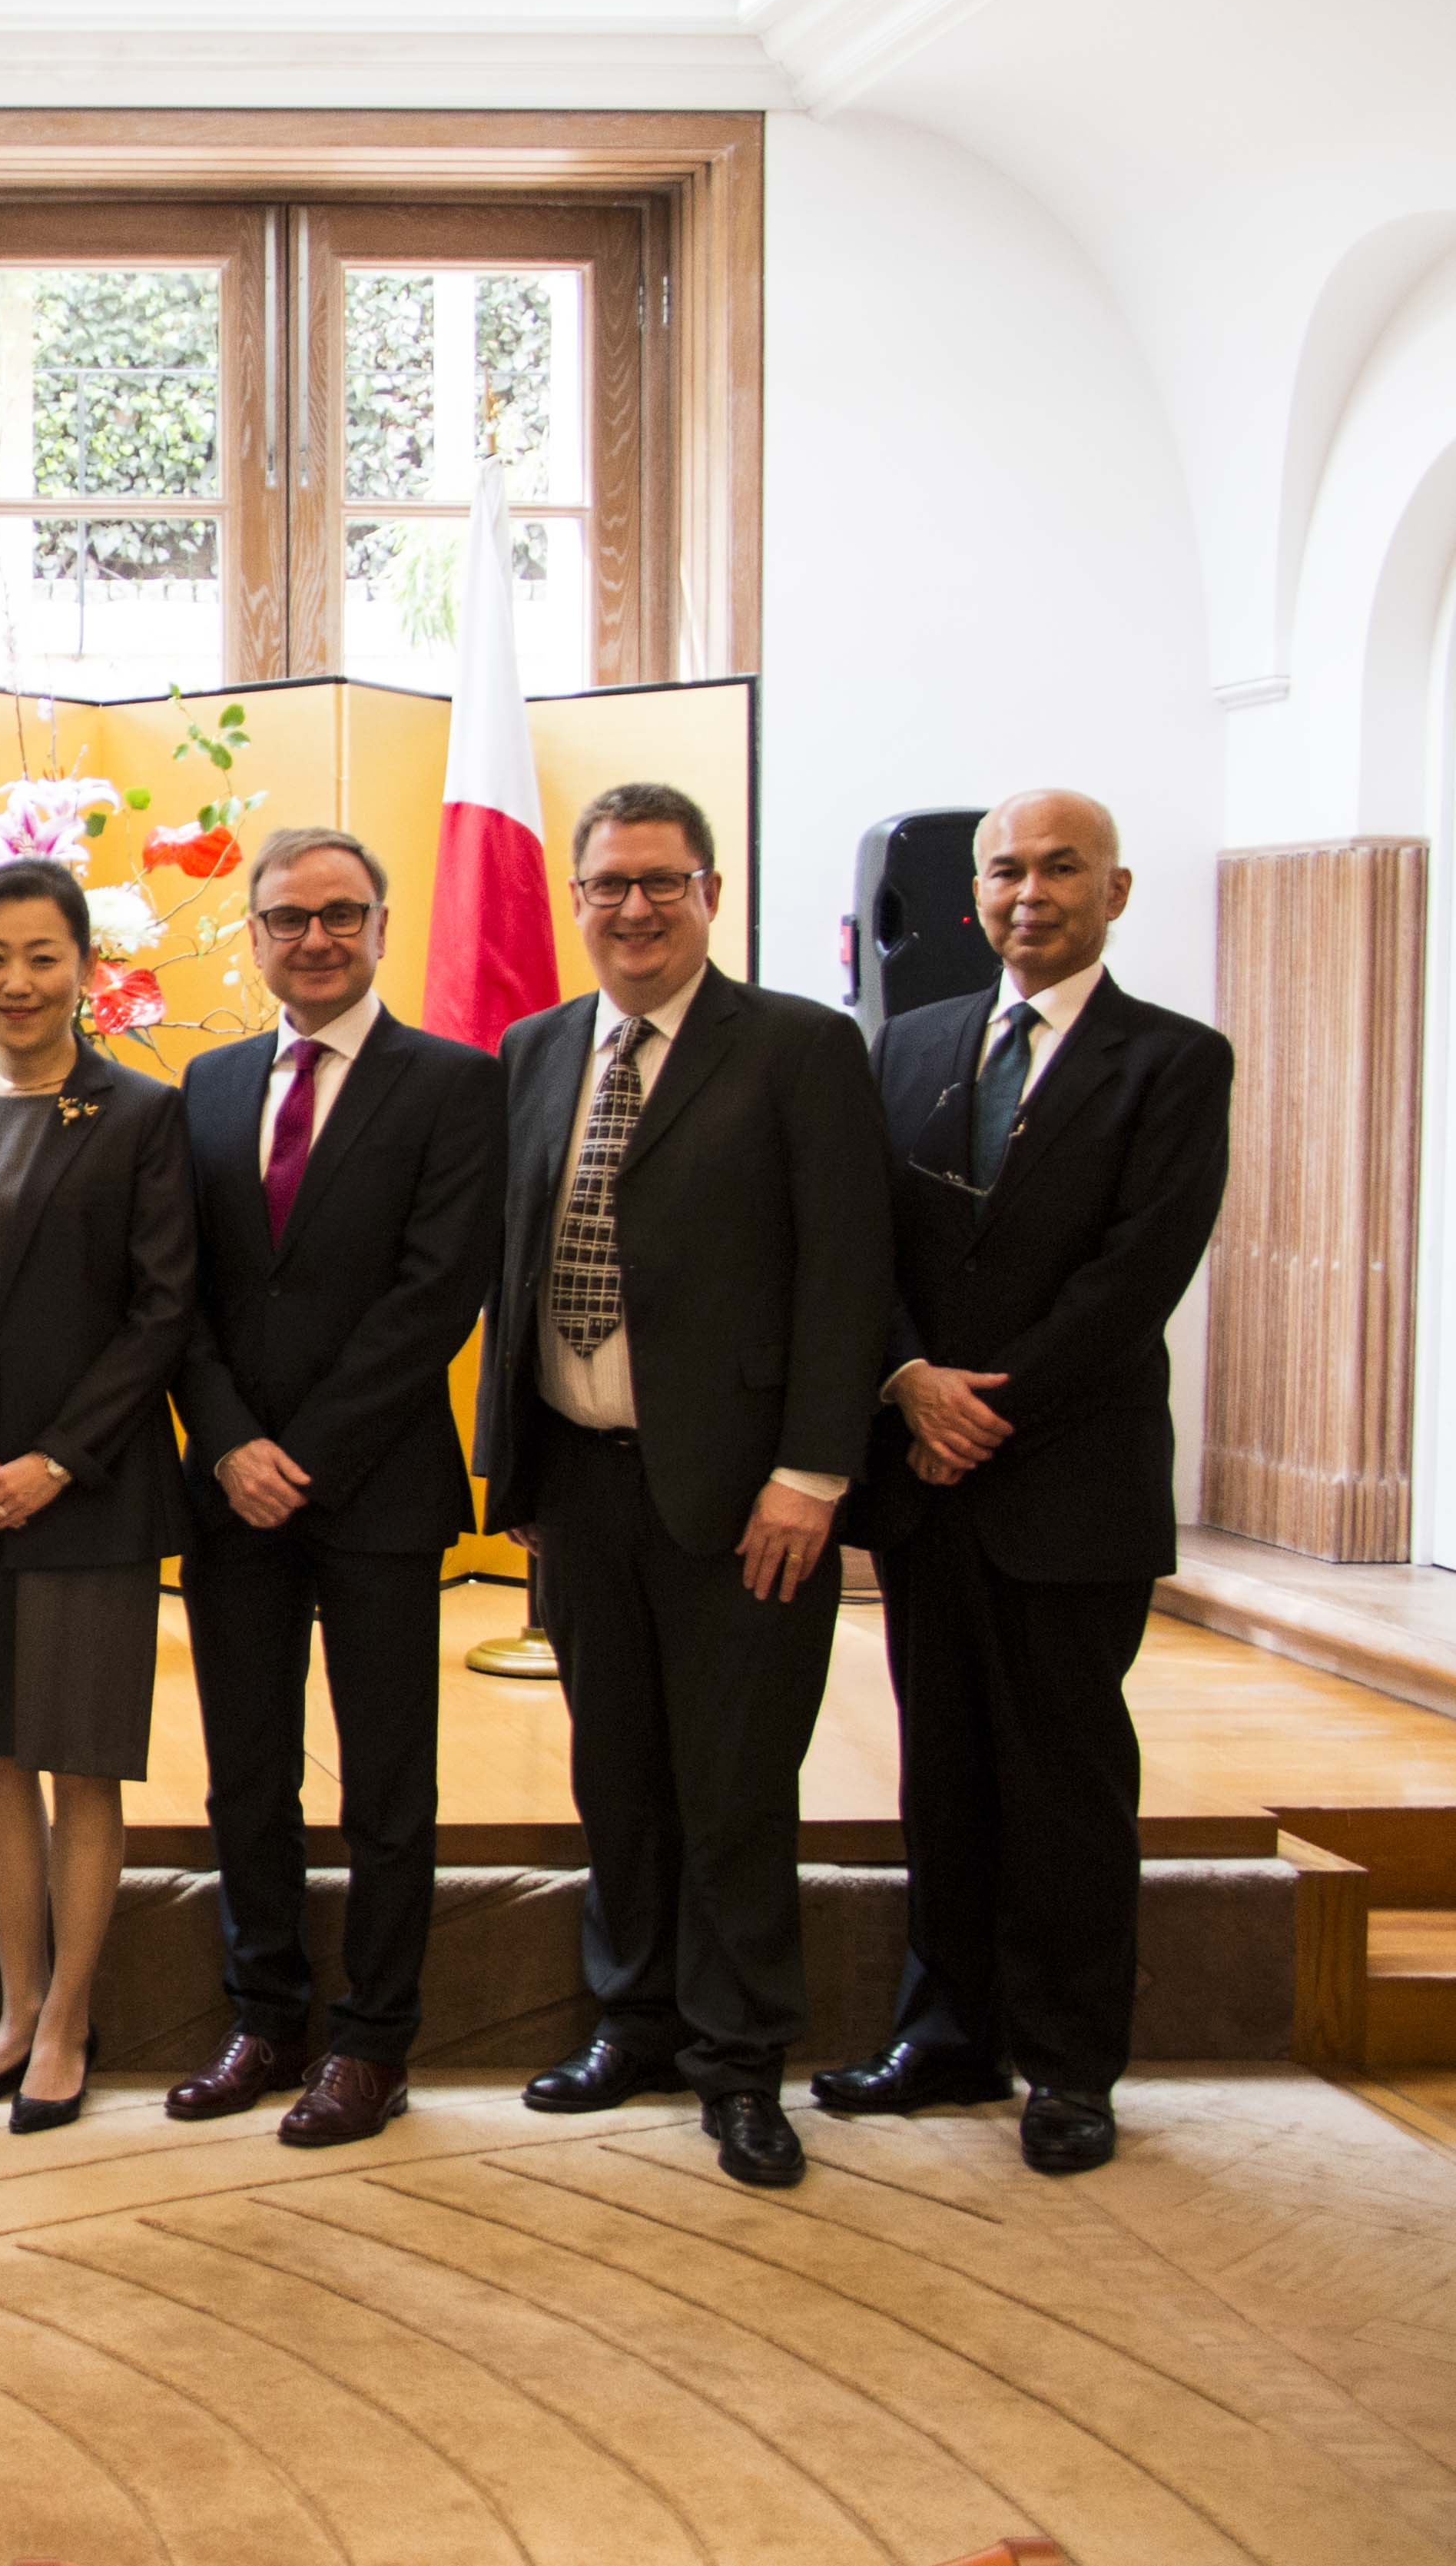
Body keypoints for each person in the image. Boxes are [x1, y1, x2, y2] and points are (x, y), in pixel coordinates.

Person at [473, 781, 896, 2191]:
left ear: (710, 892)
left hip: (743, 1498)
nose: (634, 909)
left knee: (731, 1788)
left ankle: (739, 2060)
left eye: (662, 882)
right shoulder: (533, 1049)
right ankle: (632, 2023)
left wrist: (811, 1473)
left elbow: (847, 1274)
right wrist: (512, 1463)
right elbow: (514, 1265)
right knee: (619, 1779)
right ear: (575, 901)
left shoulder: (795, 1048)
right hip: (575, 1486)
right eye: (607, 886)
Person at [814, 790, 1231, 2176]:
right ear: (973, 894)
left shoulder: (1173, 1060)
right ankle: (945, 2035)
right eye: (1006, 870)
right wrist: (907, 1380)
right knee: (941, 1772)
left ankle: (1068, 2063)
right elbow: (856, 1242)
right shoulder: (911, 1044)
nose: (1029, 892)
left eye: (1061, 868)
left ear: (1116, 890)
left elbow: (1137, 1272)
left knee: (1062, 1781)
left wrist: (988, 1405)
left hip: (1069, 1478)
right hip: (926, 1474)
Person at [165, 828, 503, 2146]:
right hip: (228, 1486)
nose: (315, 937)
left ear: (379, 924)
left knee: (385, 1785)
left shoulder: (452, 1082)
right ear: (250, 936)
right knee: (245, 1776)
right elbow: (174, 1290)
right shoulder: (202, 1082)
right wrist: (228, 1440)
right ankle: (263, 2014)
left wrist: (300, 1456)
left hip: (375, 1488)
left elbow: (438, 1293)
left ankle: (373, 2041)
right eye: (287, 917)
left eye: (341, 914)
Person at [0, 856, 193, 2133]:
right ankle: (12, 2011)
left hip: (91, 1491)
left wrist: (55, 1457)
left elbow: (161, 1307)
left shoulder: (138, 1113)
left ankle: (71, 2017)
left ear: (85, 969)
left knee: (80, 1763)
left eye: (42, 957)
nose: (16, 983)